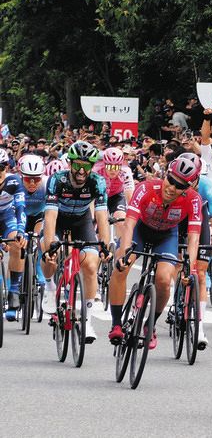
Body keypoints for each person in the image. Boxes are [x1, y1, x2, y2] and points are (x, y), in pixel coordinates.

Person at [107, 156, 202, 349]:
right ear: (165, 175)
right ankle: (116, 323)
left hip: (167, 236)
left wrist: (189, 269)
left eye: (180, 186)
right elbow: (130, 222)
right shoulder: (146, 187)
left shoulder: (194, 200)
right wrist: (124, 252)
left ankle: (149, 324)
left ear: (189, 188)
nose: (172, 188)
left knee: (164, 279)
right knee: (121, 267)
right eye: (171, 180)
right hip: (140, 231)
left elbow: (193, 238)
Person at [41, 141, 111, 343]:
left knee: (90, 264)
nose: (82, 170)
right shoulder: (57, 180)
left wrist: (104, 245)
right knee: (48, 252)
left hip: (82, 221)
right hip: (59, 219)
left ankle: (87, 320)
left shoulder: (97, 182)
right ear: (69, 163)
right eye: (78, 164)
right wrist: (49, 247)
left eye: (87, 165)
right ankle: (49, 286)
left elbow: (102, 217)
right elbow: (50, 217)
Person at [173, 152, 212, 349]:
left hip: (199, 220)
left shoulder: (207, 186)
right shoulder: (173, 183)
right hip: (177, 220)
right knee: (178, 263)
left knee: (201, 274)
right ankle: (177, 300)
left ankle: (200, 326)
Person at [0, 148, 27, 322]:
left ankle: (14, 289)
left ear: (7, 167)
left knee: (18, 242)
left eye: (1, 167)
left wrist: (21, 232)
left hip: (6, 217)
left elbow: (20, 209)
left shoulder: (14, 181)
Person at [93, 147, 135, 240]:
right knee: (101, 224)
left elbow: (130, 195)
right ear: (104, 164)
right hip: (99, 197)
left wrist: (132, 214)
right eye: (109, 166)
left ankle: (120, 248)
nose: (113, 170)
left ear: (121, 165)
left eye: (116, 167)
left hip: (116, 196)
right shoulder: (96, 171)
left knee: (121, 221)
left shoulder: (126, 171)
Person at [19, 155, 48, 288]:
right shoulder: (15, 184)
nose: (32, 183)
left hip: (38, 216)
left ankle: (39, 270)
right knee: (17, 248)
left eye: (36, 179)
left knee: (40, 241)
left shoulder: (47, 185)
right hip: (20, 216)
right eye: (28, 179)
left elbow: (52, 210)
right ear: (21, 176)